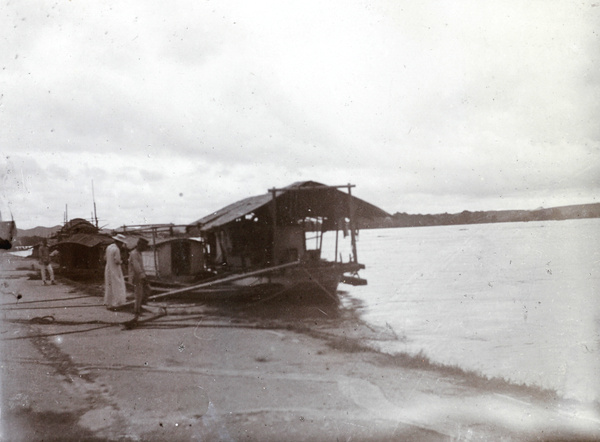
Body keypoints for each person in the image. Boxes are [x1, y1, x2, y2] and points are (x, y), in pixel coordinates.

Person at [104, 234, 128, 309]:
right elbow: (117, 261)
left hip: (108, 268)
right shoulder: (116, 249)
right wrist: (122, 261)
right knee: (118, 284)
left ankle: (108, 301)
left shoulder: (109, 247)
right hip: (115, 268)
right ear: (119, 242)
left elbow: (105, 258)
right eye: (121, 243)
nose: (121, 245)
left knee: (109, 284)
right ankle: (118, 301)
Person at [128, 237, 149, 319]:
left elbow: (140, 267)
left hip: (139, 276)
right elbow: (137, 268)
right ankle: (137, 311)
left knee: (142, 293)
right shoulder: (134, 254)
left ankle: (139, 309)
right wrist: (143, 277)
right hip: (136, 277)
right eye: (144, 246)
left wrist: (144, 276)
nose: (145, 248)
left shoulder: (138, 253)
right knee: (138, 294)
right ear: (139, 245)